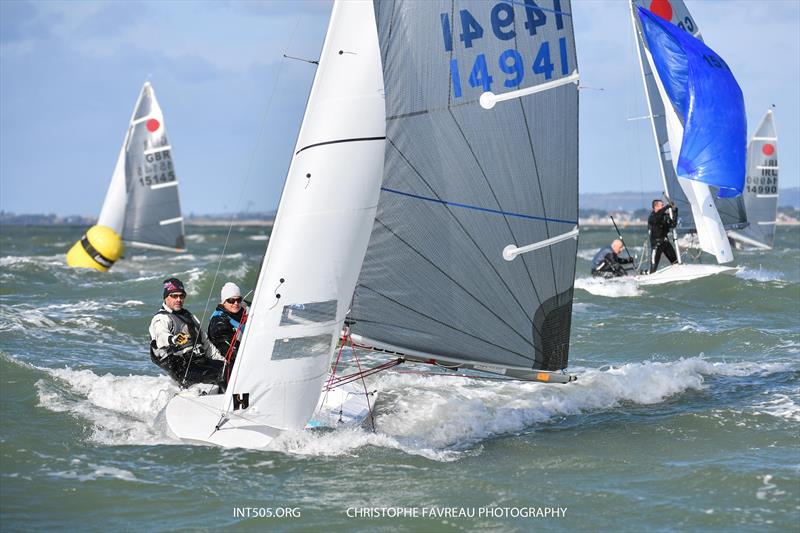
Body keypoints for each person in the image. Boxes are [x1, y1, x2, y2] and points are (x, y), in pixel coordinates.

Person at [149, 277, 226, 389]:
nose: (178, 299)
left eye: (181, 296)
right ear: (166, 297)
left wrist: (223, 360)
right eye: (174, 296)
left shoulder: (189, 317)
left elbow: (206, 343)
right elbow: (161, 335)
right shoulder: (161, 318)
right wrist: (174, 339)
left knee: (229, 369)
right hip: (182, 370)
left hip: (200, 362)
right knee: (220, 375)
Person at [208, 282, 248, 380]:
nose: (236, 303)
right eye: (231, 300)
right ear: (224, 302)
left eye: (238, 300)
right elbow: (231, 353)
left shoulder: (241, 312)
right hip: (228, 368)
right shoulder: (219, 323)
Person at [648, 199, 679, 274]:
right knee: (653, 267)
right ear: (656, 207)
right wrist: (667, 206)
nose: (663, 207)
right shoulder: (652, 217)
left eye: (663, 205)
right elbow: (658, 216)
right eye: (662, 205)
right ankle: (650, 276)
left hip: (665, 242)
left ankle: (677, 273)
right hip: (656, 245)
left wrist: (675, 213)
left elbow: (673, 225)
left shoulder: (664, 216)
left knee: (675, 262)